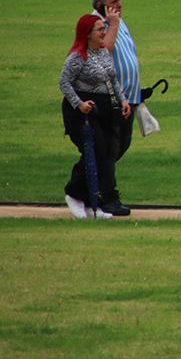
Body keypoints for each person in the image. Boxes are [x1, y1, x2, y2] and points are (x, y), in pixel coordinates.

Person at [59, 14, 131, 219]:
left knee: (106, 154)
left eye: (104, 28)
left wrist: (122, 100)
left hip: (105, 113)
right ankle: (74, 194)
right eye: (100, 29)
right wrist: (79, 104)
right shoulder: (77, 57)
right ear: (87, 33)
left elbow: (113, 80)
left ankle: (91, 204)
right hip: (84, 114)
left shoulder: (103, 53)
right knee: (95, 153)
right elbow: (64, 83)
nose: (104, 33)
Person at [92, 0, 140, 216]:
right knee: (109, 150)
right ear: (101, 6)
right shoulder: (97, 25)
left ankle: (90, 186)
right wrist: (113, 24)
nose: (120, 5)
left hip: (128, 97)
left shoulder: (117, 21)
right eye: (114, 2)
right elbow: (103, 52)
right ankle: (106, 197)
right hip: (110, 100)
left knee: (120, 146)